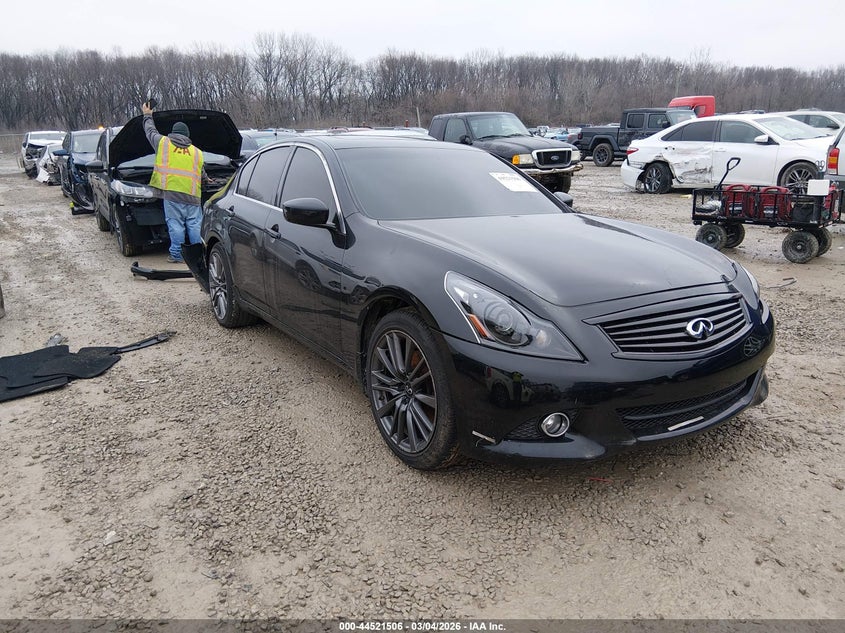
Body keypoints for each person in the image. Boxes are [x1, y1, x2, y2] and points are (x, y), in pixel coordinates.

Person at [141, 101, 207, 264]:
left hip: (172, 194)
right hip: (193, 195)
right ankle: (198, 255)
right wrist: (206, 180)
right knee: (194, 225)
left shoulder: (163, 143)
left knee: (176, 225)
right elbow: (201, 172)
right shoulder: (196, 152)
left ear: (173, 133)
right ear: (187, 135)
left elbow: (150, 131)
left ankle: (177, 255)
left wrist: (147, 115)